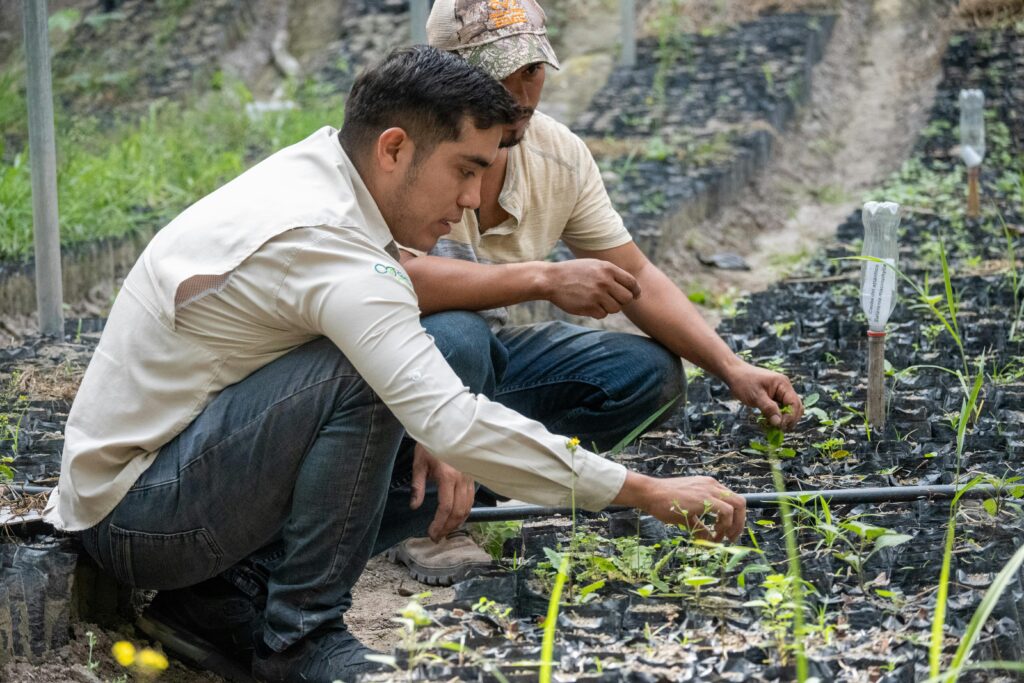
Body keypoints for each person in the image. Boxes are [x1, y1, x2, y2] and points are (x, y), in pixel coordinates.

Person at [43, 46, 747, 683]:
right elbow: (449, 420)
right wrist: (646, 490)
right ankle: (300, 637)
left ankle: (227, 605)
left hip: (182, 476)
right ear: (393, 148)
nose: (473, 199)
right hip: (142, 514)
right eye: (465, 170)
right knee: (370, 373)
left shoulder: (322, 176)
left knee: (423, 397)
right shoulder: (331, 243)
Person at [386, 0, 804, 586]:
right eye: (496, 74)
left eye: (531, 70)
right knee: (457, 332)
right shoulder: (404, 150)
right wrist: (546, 278)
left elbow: (637, 276)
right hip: (390, 373)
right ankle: (426, 519)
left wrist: (730, 368)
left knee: (646, 373)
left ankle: (493, 473)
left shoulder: (557, 155)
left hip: (489, 358)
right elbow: (400, 282)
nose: (520, 93)